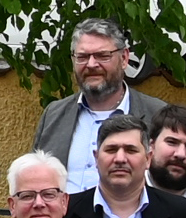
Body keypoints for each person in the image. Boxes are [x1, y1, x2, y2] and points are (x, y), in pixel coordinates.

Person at [32, 18, 171, 186]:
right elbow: (35, 180)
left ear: (124, 58)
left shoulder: (157, 115)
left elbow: (169, 186)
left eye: (102, 56)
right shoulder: (54, 114)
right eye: (82, 57)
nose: (91, 64)